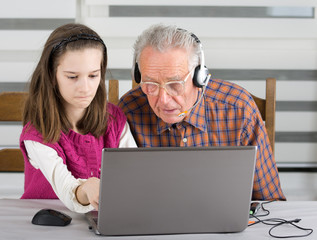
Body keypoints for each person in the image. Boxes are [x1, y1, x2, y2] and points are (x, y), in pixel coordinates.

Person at [118, 24, 285, 201]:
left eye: (174, 85)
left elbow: (270, 203)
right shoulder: (129, 110)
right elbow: (119, 198)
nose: (163, 100)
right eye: (150, 85)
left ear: (200, 78)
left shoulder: (239, 109)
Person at [19, 23, 137, 213]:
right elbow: (67, 190)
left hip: (105, 220)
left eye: (93, 75)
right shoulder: (38, 133)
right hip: (48, 227)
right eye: (72, 77)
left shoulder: (114, 119)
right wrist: (87, 189)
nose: (85, 88)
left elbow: (135, 173)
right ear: (52, 75)